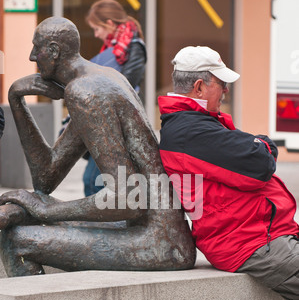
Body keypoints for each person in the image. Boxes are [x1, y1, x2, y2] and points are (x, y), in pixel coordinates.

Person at [0, 16, 196, 277]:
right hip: (144, 227)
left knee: (17, 241)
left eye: (37, 48)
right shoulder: (97, 79)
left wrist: (49, 208)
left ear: (55, 51)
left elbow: (127, 200)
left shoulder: (85, 91)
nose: (31, 56)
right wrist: (16, 99)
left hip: (161, 241)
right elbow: (46, 177)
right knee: (23, 216)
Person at [158, 45, 299, 300]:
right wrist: (260, 143)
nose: (226, 90)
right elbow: (259, 165)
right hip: (249, 242)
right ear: (199, 87)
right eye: (221, 83)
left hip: (261, 235)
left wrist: (258, 145)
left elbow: (254, 155)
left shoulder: (195, 124)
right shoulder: (191, 132)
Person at [82, 0, 147, 196]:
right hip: (106, 123)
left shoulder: (134, 48)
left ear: (109, 23)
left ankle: (103, 224)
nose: (96, 34)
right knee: (96, 181)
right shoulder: (112, 50)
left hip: (117, 126)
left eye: (97, 29)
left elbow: (124, 88)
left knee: (96, 182)